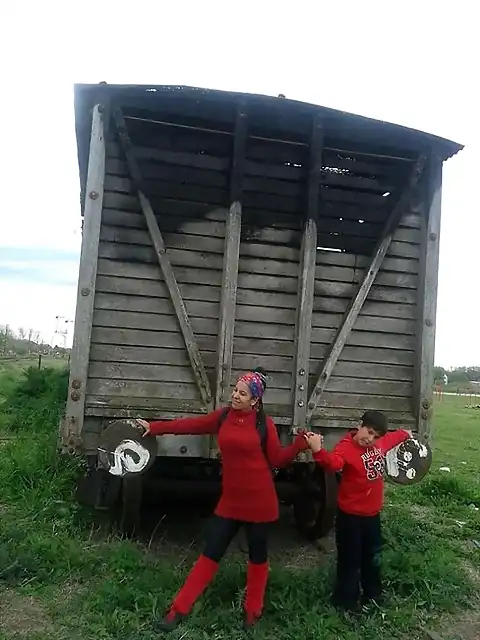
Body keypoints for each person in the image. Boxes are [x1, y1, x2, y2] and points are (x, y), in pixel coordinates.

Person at [137, 367, 309, 632]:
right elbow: (192, 426)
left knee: (257, 557)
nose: (235, 396)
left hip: (261, 503)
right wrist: (156, 428)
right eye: (235, 390)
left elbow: (277, 459)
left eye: (242, 393)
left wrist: (299, 445)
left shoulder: (265, 424)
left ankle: (253, 613)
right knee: (209, 554)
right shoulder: (224, 417)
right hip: (230, 502)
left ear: (255, 400)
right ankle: (177, 611)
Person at [305, 411, 411, 612]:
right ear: (360, 425)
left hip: (372, 516)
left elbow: (394, 437)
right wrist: (318, 451)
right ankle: (346, 600)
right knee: (350, 560)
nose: (370, 439)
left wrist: (406, 434)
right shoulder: (345, 448)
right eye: (368, 432)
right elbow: (333, 463)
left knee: (373, 557)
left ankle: (373, 594)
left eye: (375, 436)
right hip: (350, 517)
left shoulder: (380, 443)